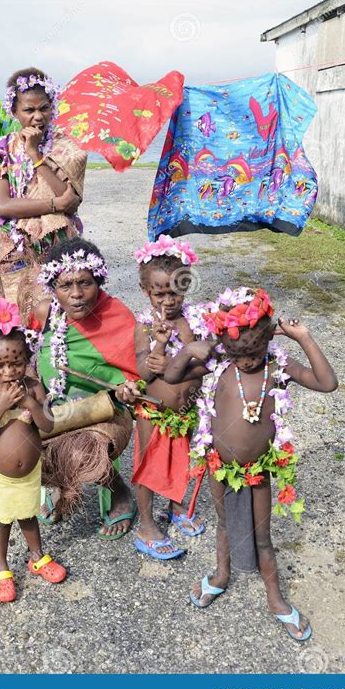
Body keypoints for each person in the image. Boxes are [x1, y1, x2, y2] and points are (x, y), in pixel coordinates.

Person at [165, 286, 338, 641]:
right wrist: (187, 351)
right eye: (238, 354)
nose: (246, 362)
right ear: (224, 346)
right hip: (216, 465)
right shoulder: (216, 365)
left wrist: (303, 337)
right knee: (224, 525)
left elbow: (327, 383)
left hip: (258, 471)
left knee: (263, 537)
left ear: (268, 337)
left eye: (253, 352)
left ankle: (275, 599)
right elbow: (170, 377)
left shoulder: (277, 367)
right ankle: (220, 575)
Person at [34, 237, 140, 540]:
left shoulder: (116, 315)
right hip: (56, 408)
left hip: (105, 411)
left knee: (81, 450)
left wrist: (127, 389)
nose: (77, 295)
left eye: (85, 283)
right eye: (66, 285)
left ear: (99, 280)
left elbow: (137, 374)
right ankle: (60, 486)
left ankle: (118, 490)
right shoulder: (46, 314)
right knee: (13, 444)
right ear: (53, 288)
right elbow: (29, 360)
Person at [0, 298, 66, 603]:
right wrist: (0, 409)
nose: (9, 371)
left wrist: (29, 404)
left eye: (17, 363)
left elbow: (48, 425)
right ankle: (1, 568)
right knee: (1, 519)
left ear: (27, 357)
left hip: (29, 473)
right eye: (0, 365)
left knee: (27, 514)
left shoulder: (34, 387)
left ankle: (36, 556)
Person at [0, 67, 87, 320]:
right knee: (18, 316)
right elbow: (4, 207)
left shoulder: (68, 148)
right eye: (29, 110)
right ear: (15, 111)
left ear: (53, 107)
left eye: (44, 108)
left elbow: (70, 203)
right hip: (15, 246)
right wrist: (53, 204)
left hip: (58, 244)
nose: (38, 117)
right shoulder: (1, 149)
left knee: (60, 316)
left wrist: (35, 155)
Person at [132, 236, 213, 559]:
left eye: (175, 292)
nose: (168, 300)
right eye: (159, 293)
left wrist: (177, 370)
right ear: (146, 292)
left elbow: (208, 363)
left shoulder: (194, 323)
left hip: (185, 411)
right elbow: (142, 372)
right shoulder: (145, 327)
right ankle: (147, 524)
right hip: (152, 411)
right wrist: (160, 348)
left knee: (180, 461)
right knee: (148, 465)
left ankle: (177, 507)